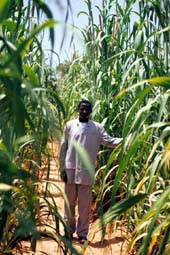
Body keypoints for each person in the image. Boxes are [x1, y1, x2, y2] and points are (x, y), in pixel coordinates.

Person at [59, 99, 122, 244]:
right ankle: (68, 232)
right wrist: (62, 168)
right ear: (78, 109)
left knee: (85, 205)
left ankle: (82, 234)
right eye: (82, 109)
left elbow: (109, 141)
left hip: (86, 172)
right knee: (69, 203)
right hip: (70, 169)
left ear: (91, 111)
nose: (84, 111)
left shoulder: (97, 128)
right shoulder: (69, 126)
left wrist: (126, 140)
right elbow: (63, 147)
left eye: (87, 109)